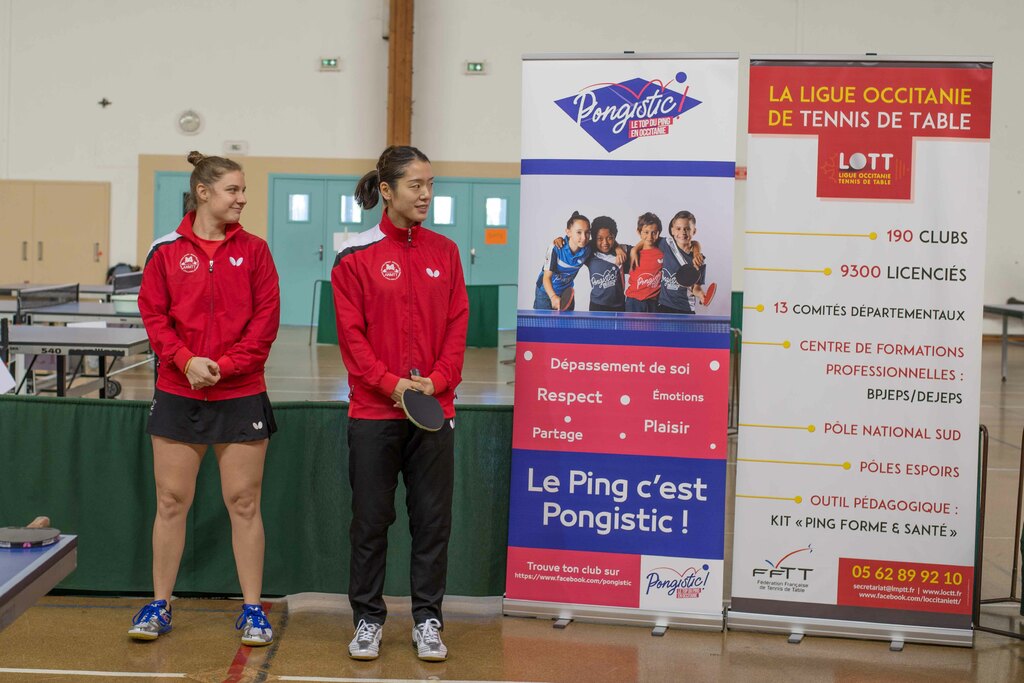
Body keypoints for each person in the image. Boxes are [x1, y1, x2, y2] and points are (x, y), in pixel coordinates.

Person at [132, 151, 280, 646]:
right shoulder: (165, 250)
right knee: (171, 501)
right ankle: (159, 605)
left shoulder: (256, 251)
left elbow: (265, 323)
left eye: (243, 190)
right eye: (233, 190)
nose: (242, 199)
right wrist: (184, 361)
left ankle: (253, 609)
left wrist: (225, 367)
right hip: (179, 392)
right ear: (203, 192)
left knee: (244, 502)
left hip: (241, 392)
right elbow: (154, 316)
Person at [332, 146, 469, 663]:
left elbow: (457, 324)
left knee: (432, 523)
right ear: (386, 191)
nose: (426, 195)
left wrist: (438, 381)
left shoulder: (446, 253)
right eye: (416, 185)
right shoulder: (354, 257)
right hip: (374, 415)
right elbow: (352, 339)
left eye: (431, 184)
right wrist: (393, 386)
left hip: (435, 413)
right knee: (370, 523)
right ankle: (368, 620)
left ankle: (428, 620)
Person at [552, 216, 630, 312]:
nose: (605, 242)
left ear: (615, 236)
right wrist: (561, 239)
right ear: (593, 238)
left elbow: (645, 248)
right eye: (600, 238)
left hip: (619, 305)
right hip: (596, 305)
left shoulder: (624, 251)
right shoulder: (588, 251)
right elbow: (575, 243)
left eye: (610, 238)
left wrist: (618, 248)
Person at [532, 211, 591, 310]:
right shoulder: (556, 248)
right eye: (579, 232)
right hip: (545, 292)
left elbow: (605, 244)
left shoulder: (587, 249)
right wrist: (553, 297)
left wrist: (617, 248)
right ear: (568, 232)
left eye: (587, 232)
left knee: (566, 320)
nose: (584, 237)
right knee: (543, 320)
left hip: (566, 293)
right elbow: (546, 277)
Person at [656, 211, 708, 314]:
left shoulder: (698, 260)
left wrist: (701, 295)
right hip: (664, 306)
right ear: (672, 230)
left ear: (694, 231)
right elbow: (647, 239)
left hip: (686, 309)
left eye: (687, 229)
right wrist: (633, 250)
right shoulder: (666, 244)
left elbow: (696, 287)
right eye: (678, 228)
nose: (683, 232)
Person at [625, 212, 664, 313]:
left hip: (653, 303)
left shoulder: (663, 253)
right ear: (639, 232)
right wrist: (633, 249)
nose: (650, 237)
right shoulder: (632, 253)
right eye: (646, 232)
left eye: (654, 233)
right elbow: (614, 246)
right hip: (633, 302)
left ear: (658, 233)